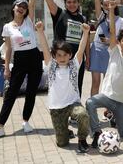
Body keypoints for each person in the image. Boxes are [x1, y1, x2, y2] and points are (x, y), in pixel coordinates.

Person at [0, 0, 43, 141]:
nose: (22, 9)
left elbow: (31, 4)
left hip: (34, 57)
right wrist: (7, 68)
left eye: (24, 7)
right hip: (20, 59)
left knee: (31, 91)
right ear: (14, 8)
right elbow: (9, 49)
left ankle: (26, 122)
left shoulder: (29, 22)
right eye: (19, 6)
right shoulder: (7, 27)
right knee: (11, 94)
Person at [86, 0, 123, 147]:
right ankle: (96, 131)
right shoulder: (114, 51)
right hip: (108, 97)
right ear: (119, 43)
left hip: (122, 104)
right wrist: (112, 10)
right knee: (90, 102)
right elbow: (113, 33)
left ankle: (115, 117)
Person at [35, 21, 90, 153]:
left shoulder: (74, 65)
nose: (62, 58)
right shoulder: (51, 66)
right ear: (54, 56)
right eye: (59, 55)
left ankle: (82, 139)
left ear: (70, 55)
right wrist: (40, 31)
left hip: (72, 104)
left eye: (65, 55)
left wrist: (86, 32)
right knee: (62, 143)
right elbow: (44, 47)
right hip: (56, 108)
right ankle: (66, 132)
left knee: (83, 114)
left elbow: (81, 49)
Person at [40, 0, 90, 98]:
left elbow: (86, 39)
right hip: (61, 59)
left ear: (79, 3)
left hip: (77, 60)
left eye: (74, 2)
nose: (72, 4)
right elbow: (50, 3)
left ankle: (76, 110)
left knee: (77, 86)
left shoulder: (82, 19)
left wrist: (88, 57)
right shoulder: (60, 14)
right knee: (61, 87)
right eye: (69, 2)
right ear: (65, 3)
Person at [90, 0, 123, 96]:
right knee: (95, 82)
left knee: (108, 82)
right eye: (105, 5)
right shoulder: (101, 17)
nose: (107, 6)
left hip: (111, 53)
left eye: (110, 4)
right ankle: (92, 109)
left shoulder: (121, 21)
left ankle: (108, 111)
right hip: (96, 51)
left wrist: (111, 41)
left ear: (115, 5)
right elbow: (96, 0)